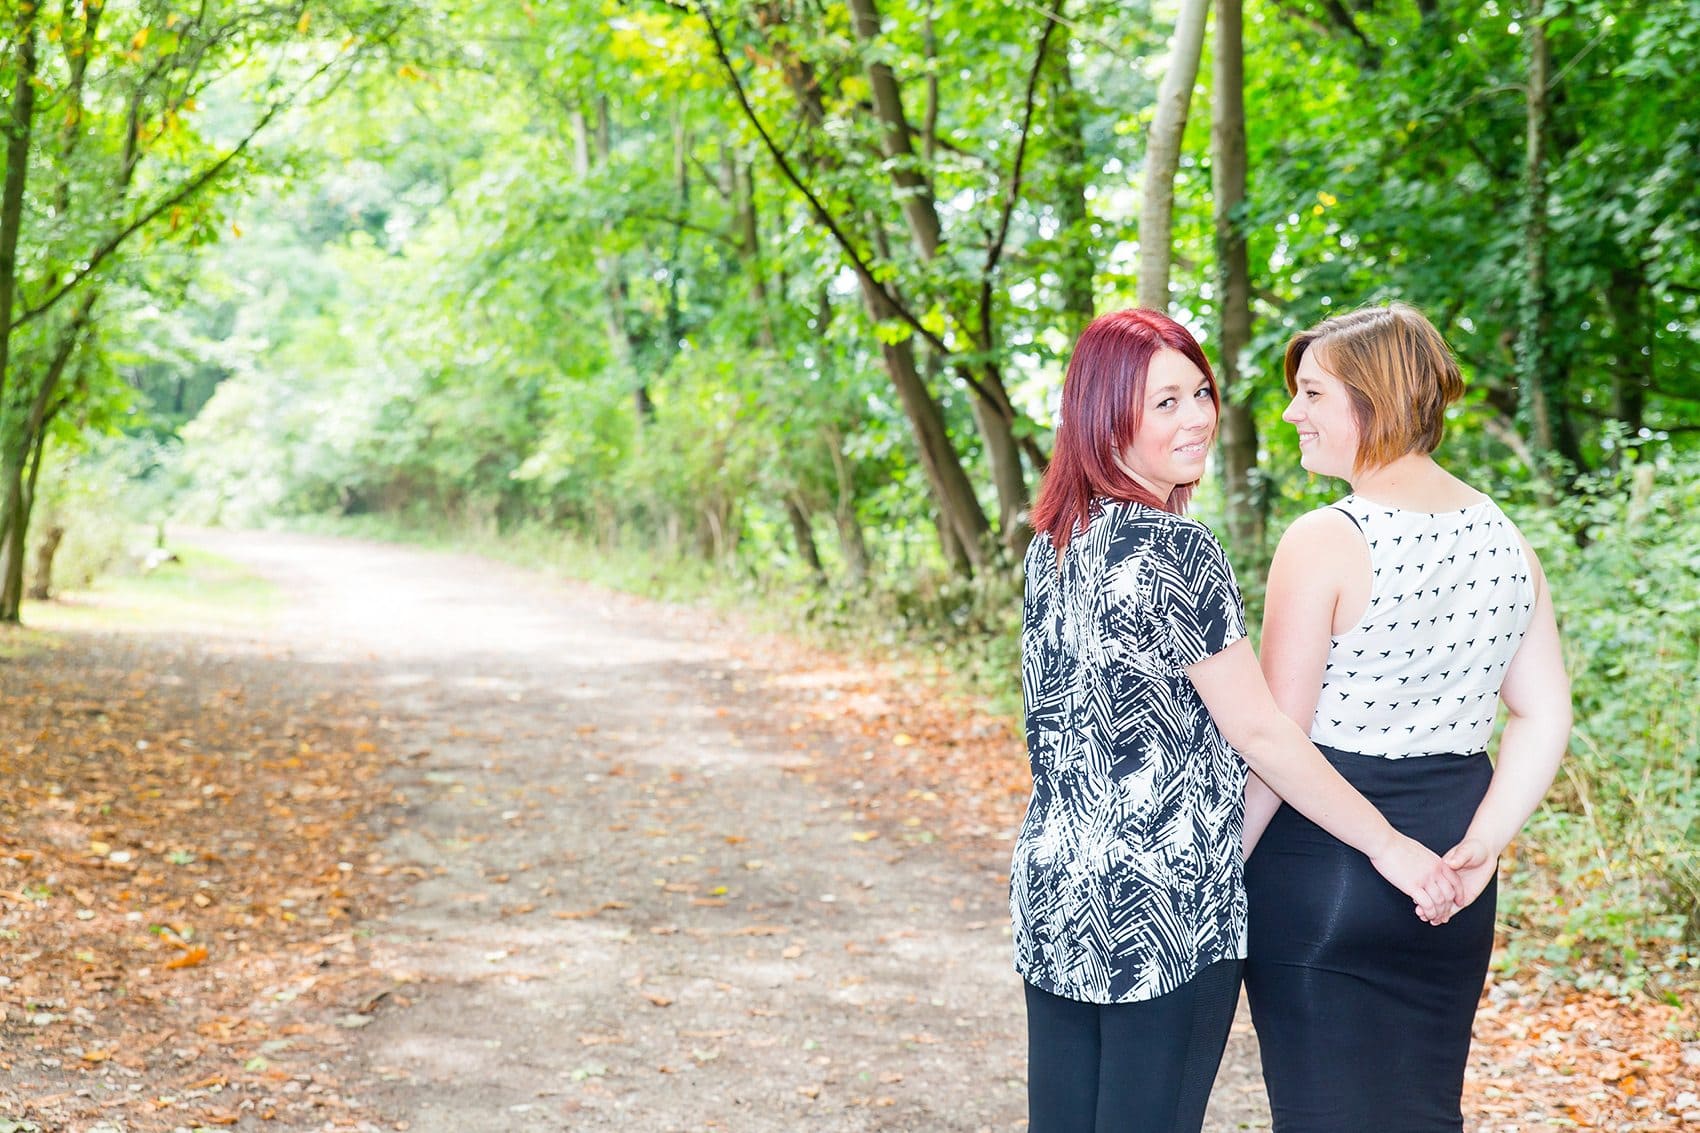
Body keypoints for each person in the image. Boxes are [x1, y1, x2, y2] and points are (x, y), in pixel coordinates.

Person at [1011, 308, 1463, 1133]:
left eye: (1200, 392)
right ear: (1103, 415)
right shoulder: (1177, 549)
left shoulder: (1058, 541)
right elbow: (1261, 733)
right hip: (1163, 905)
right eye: (1164, 404)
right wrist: (1388, 843)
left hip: (1057, 887)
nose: (1197, 418)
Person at [1242, 302, 1572, 1132]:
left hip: (1326, 863)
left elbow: (1278, 741)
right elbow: (1543, 713)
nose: (1292, 413)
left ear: (1372, 399)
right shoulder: (1505, 537)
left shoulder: (1323, 539)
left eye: (1312, 393)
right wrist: (1484, 845)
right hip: (1453, 877)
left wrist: (1213, 870)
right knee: (1424, 1115)